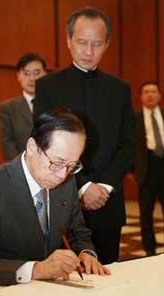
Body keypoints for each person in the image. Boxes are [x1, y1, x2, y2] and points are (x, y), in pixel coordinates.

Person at [0, 108, 110, 292]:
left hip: (46, 294)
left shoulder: (67, 182)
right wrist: (36, 269)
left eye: (72, 165)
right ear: (32, 147)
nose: (62, 175)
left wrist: (86, 253)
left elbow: (78, 233)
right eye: (57, 163)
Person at [34, 7, 135, 264]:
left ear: (107, 44)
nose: (89, 51)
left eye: (97, 44)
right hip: (63, 198)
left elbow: (128, 144)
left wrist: (104, 186)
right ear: (68, 41)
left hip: (107, 203)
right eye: (81, 42)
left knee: (107, 278)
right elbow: (43, 143)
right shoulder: (47, 86)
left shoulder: (120, 89)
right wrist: (84, 186)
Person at [134, 82, 164, 256]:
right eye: (146, 92)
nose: (150, 95)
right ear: (141, 97)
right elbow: (129, 147)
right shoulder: (134, 118)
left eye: (153, 91)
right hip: (146, 171)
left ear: (159, 95)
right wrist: (133, 171)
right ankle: (150, 251)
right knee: (146, 215)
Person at [0, 53, 46, 161]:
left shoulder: (55, 104)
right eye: (26, 73)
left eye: (37, 73)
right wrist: (23, 166)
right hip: (21, 166)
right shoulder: (8, 108)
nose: (32, 78)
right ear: (18, 76)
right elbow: (7, 143)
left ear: (45, 74)